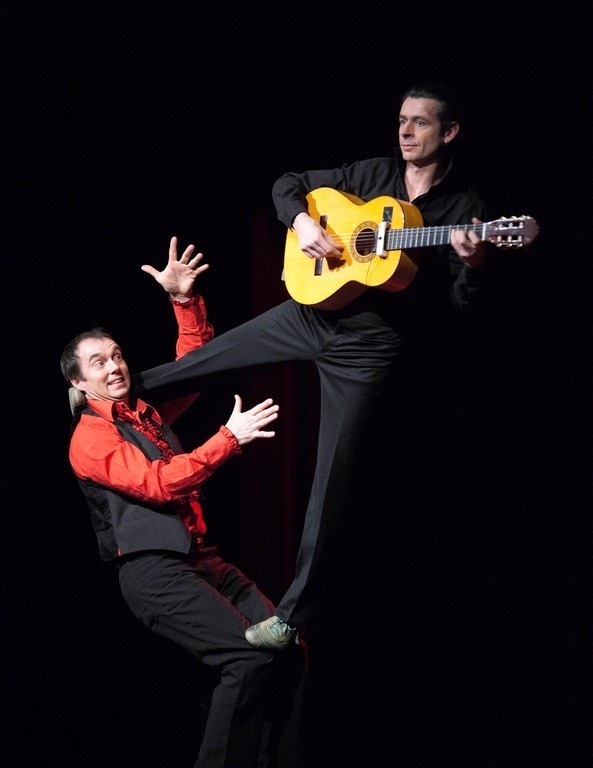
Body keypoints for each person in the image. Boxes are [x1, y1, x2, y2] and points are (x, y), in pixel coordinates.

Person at [132, 82, 493, 651]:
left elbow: (459, 309)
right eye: (402, 120)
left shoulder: (463, 210)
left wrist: (471, 263)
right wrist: (303, 223)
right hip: (310, 311)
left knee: (331, 482)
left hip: (368, 349)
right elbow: (288, 185)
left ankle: (290, 618)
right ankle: (113, 400)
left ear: (449, 133)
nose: (405, 131)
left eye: (420, 123)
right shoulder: (372, 173)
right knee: (206, 361)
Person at [61, 237, 306, 768]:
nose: (115, 366)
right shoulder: (90, 438)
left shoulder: (143, 411)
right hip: (154, 572)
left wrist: (183, 301)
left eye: (117, 355)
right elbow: (157, 483)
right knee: (246, 657)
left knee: (286, 650)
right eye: (99, 362)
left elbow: (197, 368)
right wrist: (228, 439)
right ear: (80, 382)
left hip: (202, 560)